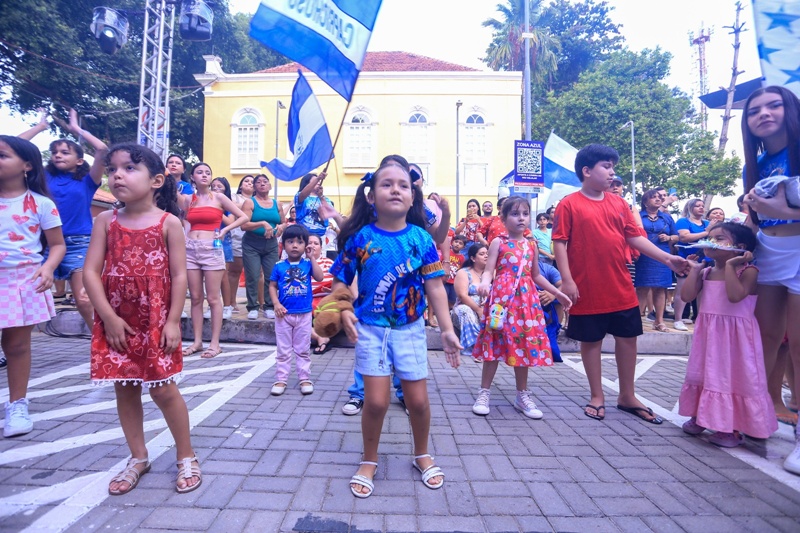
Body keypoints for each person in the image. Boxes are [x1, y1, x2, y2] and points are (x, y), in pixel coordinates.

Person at [330, 162, 461, 498]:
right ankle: (369, 459)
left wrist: (446, 329)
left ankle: (421, 453)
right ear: (371, 196)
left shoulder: (421, 240)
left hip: (411, 330)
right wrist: (343, 309)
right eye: (386, 184)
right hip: (371, 330)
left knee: (417, 401)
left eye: (403, 185)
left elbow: (434, 288)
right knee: (375, 402)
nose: (395, 190)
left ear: (412, 195)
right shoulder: (360, 238)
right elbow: (340, 282)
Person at [83, 143, 201, 494]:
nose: (117, 174)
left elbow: (179, 276)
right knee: (125, 387)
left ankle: (186, 455)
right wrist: (108, 318)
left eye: (129, 168)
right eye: (112, 169)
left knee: (164, 390)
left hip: (155, 320)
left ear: (157, 180)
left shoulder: (170, 223)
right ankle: (138, 457)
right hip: (116, 319)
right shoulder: (106, 221)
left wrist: (173, 322)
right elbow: (91, 272)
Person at [553, 144, 688, 424]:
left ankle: (627, 395)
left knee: (628, 339)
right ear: (587, 171)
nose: (612, 172)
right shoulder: (569, 204)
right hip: (586, 287)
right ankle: (597, 396)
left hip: (620, 285)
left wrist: (667, 259)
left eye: (613, 166)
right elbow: (560, 242)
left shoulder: (619, 204)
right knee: (590, 341)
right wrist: (567, 280)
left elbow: (634, 238)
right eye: (606, 166)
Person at [739, 86, 800, 474]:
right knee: (761, 341)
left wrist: (774, 207)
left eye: (774, 105)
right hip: (766, 252)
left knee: (799, 345)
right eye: (755, 110)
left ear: (790, 109)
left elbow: (778, 208)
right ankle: (756, 417)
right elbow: (755, 217)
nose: (764, 114)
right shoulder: (756, 164)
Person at [471, 197, 571, 419]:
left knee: (523, 345)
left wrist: (558, 293)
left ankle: (521, 396)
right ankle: (484, 392)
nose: (521, 218)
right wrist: (485, 283)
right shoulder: (498, 242)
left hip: (526, 301)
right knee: (494, 343)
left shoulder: (531, 245)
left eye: (525, 214)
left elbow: (535, 275)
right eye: (515, 214)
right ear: (504, 218)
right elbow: (488, 270)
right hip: (502, 300)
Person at [679, 223, 776, 446]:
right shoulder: (705, 271)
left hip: (736, 338)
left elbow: (735, 296)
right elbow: (687, 296)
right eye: (709, 237)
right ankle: (701, 415)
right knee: (706, 373)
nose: (711, 242)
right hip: (709, 334)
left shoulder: (748, 271)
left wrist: (732, 265)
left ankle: (731, 427)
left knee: (731, 376)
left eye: (719, 238)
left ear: (740, 247)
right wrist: (694, 270)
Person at [0, 136, 65, 438]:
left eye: (2, 155)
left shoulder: (42, 204)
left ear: (26, 165)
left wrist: (49, 267)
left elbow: (57, 245)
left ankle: (17, 405)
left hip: (22, 281)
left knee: (16, 346)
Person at [19, 108, 107, 329]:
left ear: (79, 160)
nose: (58, 155)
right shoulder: (43, 177)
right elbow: (13, 146)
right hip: (42, 243)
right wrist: (41, 127)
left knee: (84, 299)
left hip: (78, 243)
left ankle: (100, 342)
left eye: (65, 152)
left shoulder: (88, 181)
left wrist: (77, 129)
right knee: (25, 294)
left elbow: (102, 150)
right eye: (55, 152)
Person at [179, 163, 247, 359]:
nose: (204, 175)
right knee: (196, 297)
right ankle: (198, 342)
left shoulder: (218, 197)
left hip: (212, 249)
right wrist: (185, 234)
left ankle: (215, 344)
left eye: (208, 172)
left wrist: (225, 230)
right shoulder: (188, 199)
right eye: (200, 172)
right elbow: (184, 219)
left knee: (213, 298)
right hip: (191, 249)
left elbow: (242, 217)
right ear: (192, 177)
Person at [268, 224, 323, 396]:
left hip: (304, 314)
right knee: (283, 349)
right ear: (283, 245)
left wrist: (312, 257)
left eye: (299, 242)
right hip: (284, 315)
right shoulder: (279, 266)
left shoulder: (307, 264)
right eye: (290, 241)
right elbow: (272, 286)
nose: (294, 245)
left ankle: (304, 378)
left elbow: (320, 277)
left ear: (305, 245)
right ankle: (281, 379)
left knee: (303, 349)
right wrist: (276, 304)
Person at [241, 174, 285, 320]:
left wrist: (280, 228)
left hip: (271, 244)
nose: (262, 184)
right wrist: (262, 223)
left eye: (265, 182)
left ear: (270, 186)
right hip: (252, 243)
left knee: (271, 275)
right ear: (254, 187)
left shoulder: (277, 204)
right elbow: (243, 225)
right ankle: (252, 306)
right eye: (258, 182)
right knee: (253, 275)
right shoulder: (249, 202)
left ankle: (269, 306)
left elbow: (283, 222)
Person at [635, 189, 679, 332]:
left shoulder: (666, 217)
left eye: (660, 197)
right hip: (644, 255)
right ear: (645, 202)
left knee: (661, 288)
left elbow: (677, 236)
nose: (658, 199)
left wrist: (669, 238)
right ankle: (636, 321)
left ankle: (659, 321)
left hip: (662, 255)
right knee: (642, 288)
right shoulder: (638, 216)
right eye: (653, 197)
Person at [673, 198, 710, 331]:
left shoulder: (707, 222)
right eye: (697, 206)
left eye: (702, 206)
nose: (701, 208)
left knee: (702, 290)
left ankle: (700, 318)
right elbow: (684, 237)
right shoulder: (683, 221)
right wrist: (707, 232)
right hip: (686, 259)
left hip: (705, 259)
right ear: (690, 208)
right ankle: (678, 319)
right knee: (682, 289)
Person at [451, 243, 488, 362]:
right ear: (473, 258)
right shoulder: (463, 272)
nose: (486, 256)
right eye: (482, 254)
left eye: (487, 254)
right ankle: (475, 349)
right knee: (465, 311)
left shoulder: (492, 273)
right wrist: (478, 310)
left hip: (488, 308)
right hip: (465, 308)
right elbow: (462, 295)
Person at [227, 175, 255, 315]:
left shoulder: (259, 200)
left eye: (252, 182)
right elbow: (230, 206)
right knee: (234, 271)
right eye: (246, 181)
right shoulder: (234, 197)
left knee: (257, 273)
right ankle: (231, 301)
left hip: (254, 238)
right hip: (237, 236)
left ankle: (258, 303)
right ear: (240, 185)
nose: (249, 183)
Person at [210, 177, 235, 320]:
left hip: (223, 240)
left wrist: (218, 210)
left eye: (220, 186)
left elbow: (231, 221)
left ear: (226, 189)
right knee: (210, 276)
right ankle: (211, 306)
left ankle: (227, 306)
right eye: (213, 186)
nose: (216, 188)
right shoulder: (205, 200)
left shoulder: (226, 204)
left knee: (223, 275)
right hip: (208, 239)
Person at [306, 234, 334, 353]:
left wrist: (333, 291)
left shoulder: (329, 263)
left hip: (326, 301)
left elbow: (341, 284)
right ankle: (320, 337)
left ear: (321, 248)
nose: (312, 245)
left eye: (316, 243)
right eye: (310, 243)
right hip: (306, 301)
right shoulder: (300, 263)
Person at [294, 172, 334, 241]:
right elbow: (302, 195)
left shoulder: (325, 199)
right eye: (314, 181)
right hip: (304, 236)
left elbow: (330, 212)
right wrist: (318, 178)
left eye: (319, 181)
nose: (318, 182)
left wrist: (321, 196)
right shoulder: (301, 196)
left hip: (321, 236)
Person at [445, 235, 467, 307]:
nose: (457, 244)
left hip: (454, 282)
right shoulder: (447, 253)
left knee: (452, 299)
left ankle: (449, 310)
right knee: (444, 296)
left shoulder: (462, 258)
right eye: (456, 242)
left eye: (460, 243)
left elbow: (461, 270)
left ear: (463, 247)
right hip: (445, 280)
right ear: (452, 242)